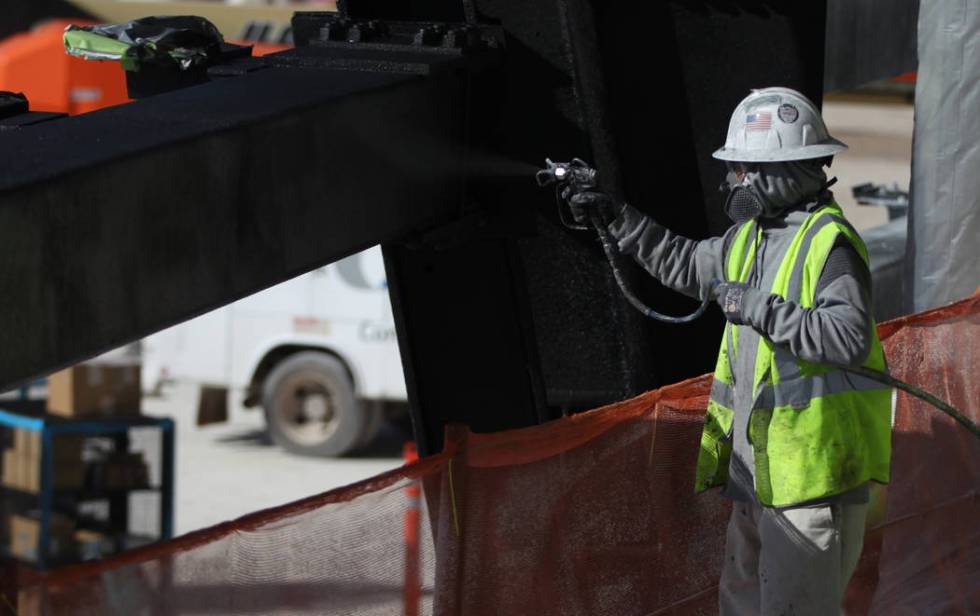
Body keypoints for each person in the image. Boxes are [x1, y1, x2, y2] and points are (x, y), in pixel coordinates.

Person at [567, 87, 892, 615]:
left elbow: (847, 339)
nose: (730, 180)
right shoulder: (749, 238)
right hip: (759, 473)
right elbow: (685, 263)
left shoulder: (827, 244)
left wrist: (759, 306)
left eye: (741, 168)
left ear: (778, 173)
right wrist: (617, 218)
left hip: (810, 484)